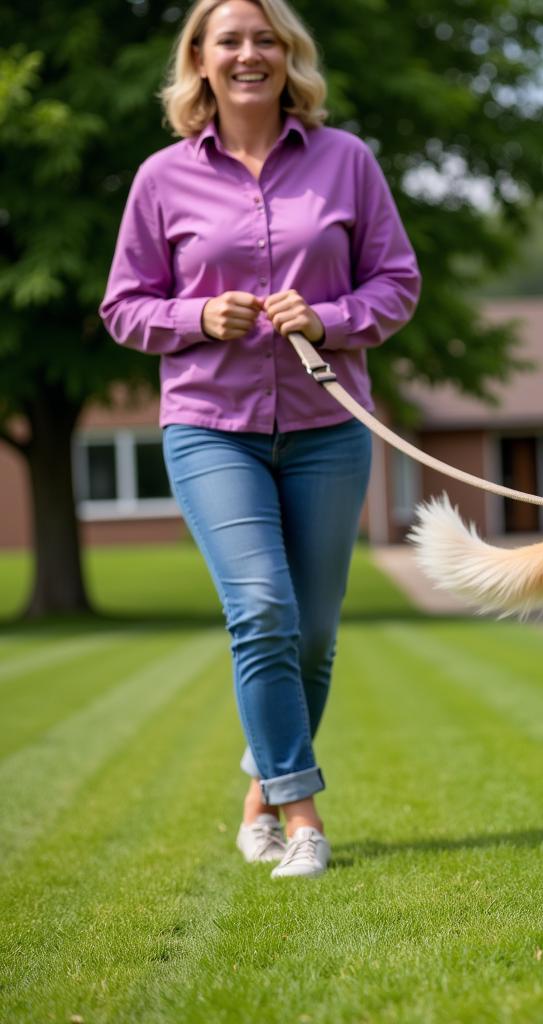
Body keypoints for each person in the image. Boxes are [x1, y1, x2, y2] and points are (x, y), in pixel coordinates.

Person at [100, 0, 420, 878]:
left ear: (289, 55)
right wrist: (198, 315)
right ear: (199, 60)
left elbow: (397, 283)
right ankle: (305, 822)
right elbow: (124, 306)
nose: (249, 53)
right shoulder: (161, 179)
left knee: (311, 635)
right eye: (229, 40)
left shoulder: (347, 161)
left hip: (327, 430)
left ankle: (261, 796)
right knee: (262, 613)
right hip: (211, 429)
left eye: (265, 38)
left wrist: (328, 316)